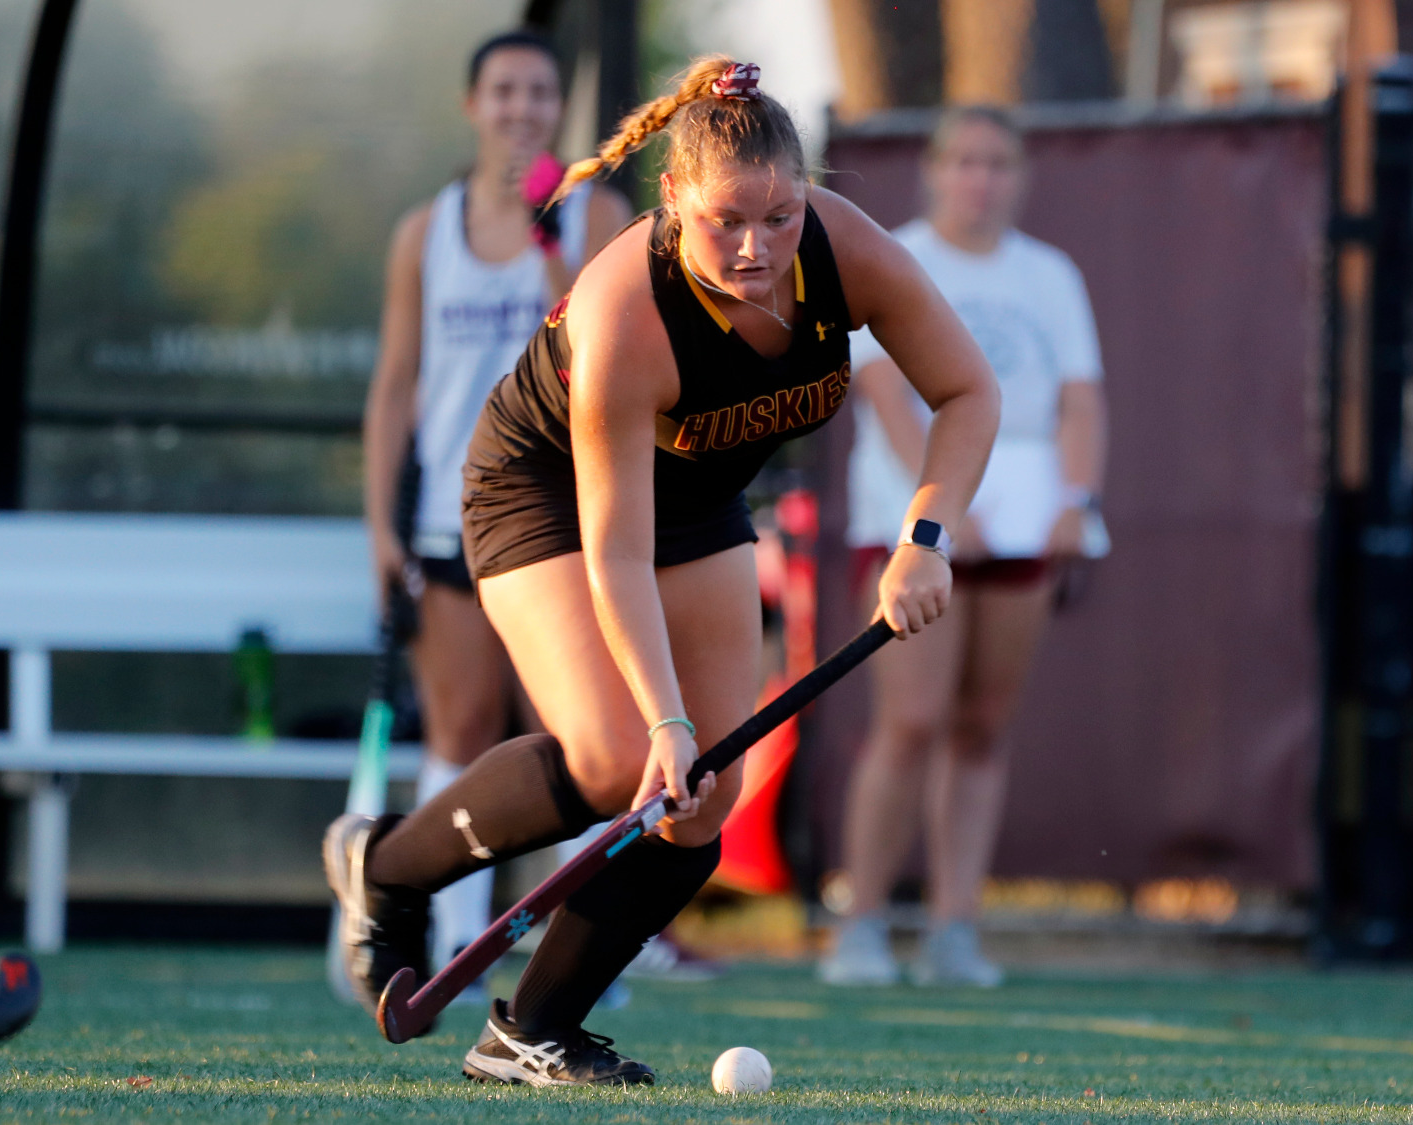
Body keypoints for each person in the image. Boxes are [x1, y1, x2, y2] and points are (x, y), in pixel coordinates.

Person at [327, 56, 1000, 1086]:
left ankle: (532, 1030)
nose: (755, 248)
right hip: (545, 492)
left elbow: (966, 391)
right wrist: (664, 718)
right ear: (673, 198)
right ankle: (383, 870)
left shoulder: (840, 251)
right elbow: (617, 550)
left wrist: (922, 538)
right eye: (727, 221)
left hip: (692, 495)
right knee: (615, 760)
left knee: (705, 798)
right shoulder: (624, 314)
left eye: (777, 219)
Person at [360, 29, 634, 987]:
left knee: (588, 740)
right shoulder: (422, 232)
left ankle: (578, 955)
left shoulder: (598, 214)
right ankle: (440, 944)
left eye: (541, 94)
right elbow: (397, 385)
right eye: (505, 92)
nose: (522, 110)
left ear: (560, 111)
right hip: (450, 515)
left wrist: (549, 232)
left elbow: (599, 339)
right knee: (462, 726)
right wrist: (379, 527)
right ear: (473, 106)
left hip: (569, 515)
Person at [820, 105, 1108, 989]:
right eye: (965, 161)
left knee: (983, 727)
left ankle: (955, 929)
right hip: (913, 526)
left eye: (998, 163)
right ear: (936, 171)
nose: (981, 179)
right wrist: (942, 512)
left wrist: (1074, 500)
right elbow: (885, 393)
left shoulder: (1051, 275)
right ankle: (861, 924)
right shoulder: (895, 253)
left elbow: (1080, 400)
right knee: (909, 721)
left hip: (1022, 528)